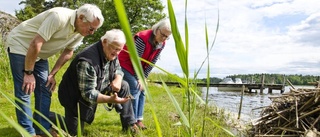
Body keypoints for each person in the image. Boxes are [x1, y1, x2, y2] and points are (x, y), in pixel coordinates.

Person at [5, 4, 104, 137]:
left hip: (40, 54)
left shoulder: (80, 31)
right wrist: (28, 73)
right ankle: (28, 132)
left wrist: (52, 74)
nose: (92, 33)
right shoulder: (58, 17)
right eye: (91, 28)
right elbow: (36, 43)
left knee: (46, 88)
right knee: (25, 89)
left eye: (95, 30)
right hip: (21, 46)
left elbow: (68, 52)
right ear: (81, 18)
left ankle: (42, 128)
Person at [51, 29, 138, 136]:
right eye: (115, 48)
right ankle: (44, 116)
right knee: (75, 132)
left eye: (120, 50)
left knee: (124, 85)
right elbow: (88, 94)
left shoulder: (112, 51)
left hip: (99, 85)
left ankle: (130, 125)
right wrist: (111, 99)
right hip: (74, 97)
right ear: (105, 41)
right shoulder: (87, 61)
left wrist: (118, 79)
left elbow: (118, 68)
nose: (117, 52)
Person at [118, 18, 171, 129]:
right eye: (163, 35)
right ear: (157, 30)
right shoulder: (142, 38)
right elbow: (134, 60)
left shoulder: (162, 43)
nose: (164, 38)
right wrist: (138, 78)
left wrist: (144, 78)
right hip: (125, 63)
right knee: (135, 87)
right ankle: (131, 122)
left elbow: (152, 62)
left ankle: (139, 119)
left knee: (143, 89)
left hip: (139, 67)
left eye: (167, 37)